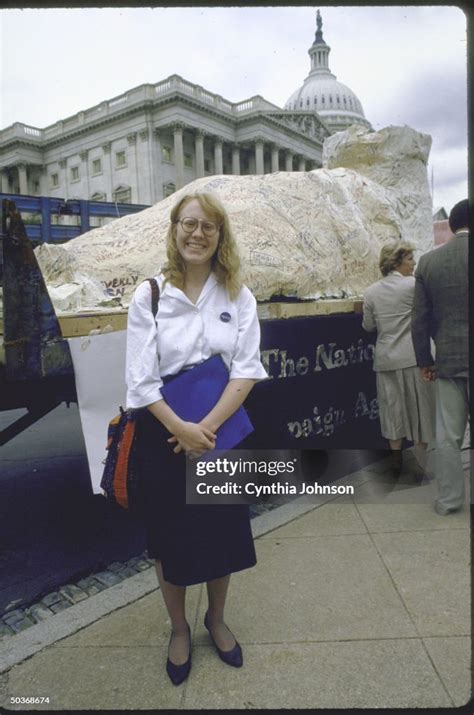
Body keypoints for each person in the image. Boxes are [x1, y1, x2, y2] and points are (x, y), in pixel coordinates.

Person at [125, 192, 267, 686]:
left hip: (220, 429)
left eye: (208, 226)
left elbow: (247, 369)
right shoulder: (149, 295)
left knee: (223, 531)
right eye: (189, 224)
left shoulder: (237, 294)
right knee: (170, 539)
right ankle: (180, 628)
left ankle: (216, 619)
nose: (197, 233)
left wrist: (204, 429)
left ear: (220, 235)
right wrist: (181, 430)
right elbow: (140, 382)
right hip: (164, 432)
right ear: (175, 229)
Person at [411, 199, 469, 515]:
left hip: (448, 361)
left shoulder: (429, 262)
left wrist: (425, 361)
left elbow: (419, 320)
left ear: (450, 225)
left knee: (447, 437)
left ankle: (449, 501)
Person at [362, 241, 435, 475]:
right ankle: (420, 465)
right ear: (397, 261)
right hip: (414, 358)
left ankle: (396, 461)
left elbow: (368, 326)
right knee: (420, 410)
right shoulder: (414, 286)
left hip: (386, 360)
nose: (414, 263)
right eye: (410, 258)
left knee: (392, 411)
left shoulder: (371, 292)